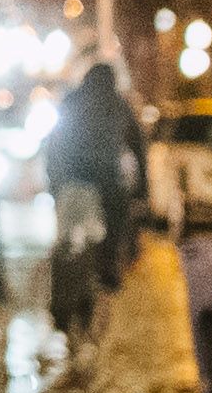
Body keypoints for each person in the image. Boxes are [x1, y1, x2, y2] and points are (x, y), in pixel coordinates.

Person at [45, 53, 144, 258]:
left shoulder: (71, 101)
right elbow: (138, 145)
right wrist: (142, 187)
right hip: (109, 180)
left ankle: (72, 270)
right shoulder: (119, 105)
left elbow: (55, 142)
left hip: (73, 177)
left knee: (69, 237)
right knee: (111, 229)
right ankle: (107, 268)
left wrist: (54, 178)